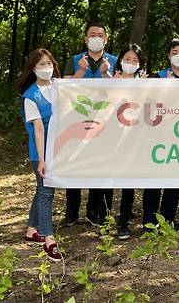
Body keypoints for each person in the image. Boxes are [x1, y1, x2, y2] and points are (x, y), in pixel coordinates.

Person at [61, 22, 118, 229]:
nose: (95, 38)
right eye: (91, 35)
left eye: (100, 35)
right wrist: (80, 71)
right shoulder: (75, 60)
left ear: (106, 39)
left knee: (100, 166)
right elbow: (63, 88)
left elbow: (122, 90)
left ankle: (96, 212)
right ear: (85, 39)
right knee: (74, 166)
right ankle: (71, 212)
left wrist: (106, 74)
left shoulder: (114, 61)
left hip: (105, 123)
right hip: (76, 121)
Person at [142, 37, 179, 228]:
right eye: (174, 52)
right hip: (158, 136)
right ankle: (149, 222)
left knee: (174, 180)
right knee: (153, 181)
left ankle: (168, 221)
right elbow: (147, 105)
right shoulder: (157, 78)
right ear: (168, 56)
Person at [17, 49, 62, 262]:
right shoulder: (30, 96)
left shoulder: (59, 87)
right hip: (41, 152)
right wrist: (43, 160)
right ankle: (48, 239)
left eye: (49, 63)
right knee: (46, 193)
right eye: (41, 65)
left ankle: (31, 231)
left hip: (59, 148)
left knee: (41, 189)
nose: (47, 68)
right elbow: (38, 130)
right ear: (33, 69)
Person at [112, 43, 147, 240]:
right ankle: (105, 219)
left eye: (135, 60)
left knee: (129, 182)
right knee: (109, 181)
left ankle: (124, 223)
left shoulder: (145, 82)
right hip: (114, 138)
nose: (131, 63)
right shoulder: (111, 80)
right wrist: (112, 86)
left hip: (136, 138)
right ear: (120, 60)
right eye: (127, 59)